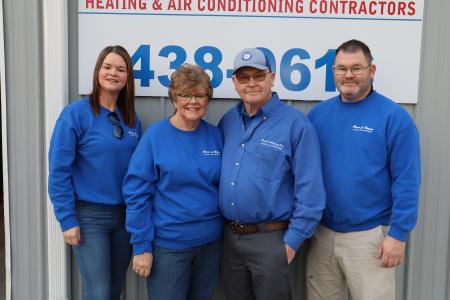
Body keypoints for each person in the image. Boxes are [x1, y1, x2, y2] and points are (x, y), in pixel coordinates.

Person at [306, 39, 421, 300]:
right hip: (322, 235)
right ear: (333, 71)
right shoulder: (318, 116)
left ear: (372, 70)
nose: (348, 75)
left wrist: (398, 235)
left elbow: (407, 181)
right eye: (341, 68)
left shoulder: (395, 118)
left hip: (370, 239)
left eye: (357, 68)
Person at [219, 47, 326, 300]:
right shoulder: (228, 121)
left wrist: (291, 243)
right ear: (235, 83)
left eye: (259, 75)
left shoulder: (296, 125)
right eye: (244, 77)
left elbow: (311, 193)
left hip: (271, 240)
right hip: (229, 239)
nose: (252, 83)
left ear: (272, 77)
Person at [48, 45, 141, 299]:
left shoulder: (131, 118)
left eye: (120, 69)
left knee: (113, 290)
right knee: (98, 292)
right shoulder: (75, 114)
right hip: (90, 218)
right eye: (107, 67)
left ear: (127, 78)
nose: (113, 73)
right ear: (98, 71)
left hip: (125, 218)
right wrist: (67, 219)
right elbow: (58, 171)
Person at [123, 63, 223, 300]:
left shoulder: (216, 136)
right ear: (173, 98)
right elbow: (137, 195)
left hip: (210, 244)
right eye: (185, 95)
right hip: (170, 247)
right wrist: (142, 247)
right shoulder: (155, 138)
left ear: (208, 99)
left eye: (200, 95)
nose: (193, 101)